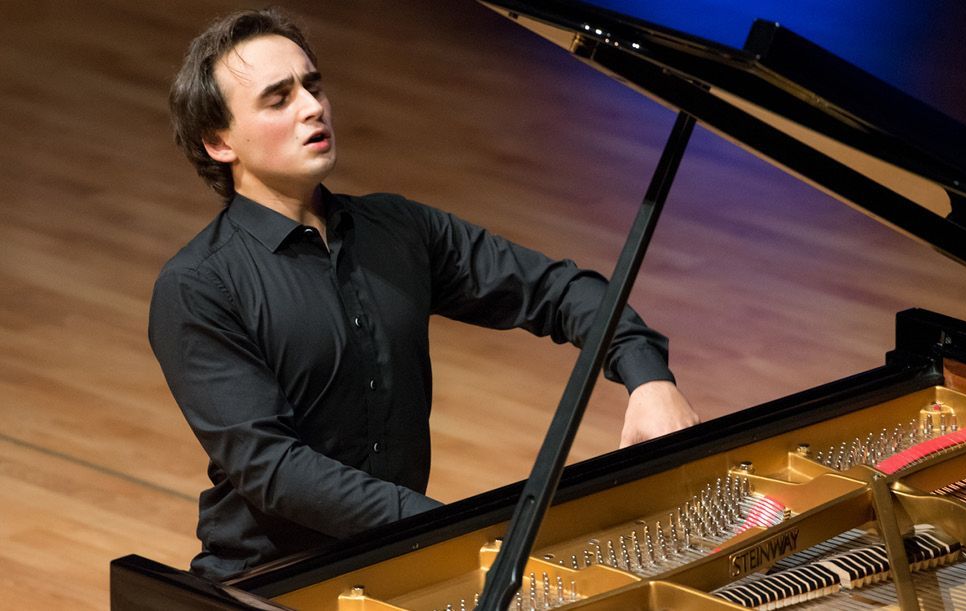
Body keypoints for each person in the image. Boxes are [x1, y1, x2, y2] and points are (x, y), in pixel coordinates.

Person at [149, 7, 700, 581]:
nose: (313, 107)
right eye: (278, 98)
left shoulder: (398, 230)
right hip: (270, 583)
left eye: (312, 86)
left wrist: (647, 375)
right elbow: (274, 470)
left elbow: (557, 290)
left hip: (399, 566)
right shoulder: (199, 287)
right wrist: (444, 530)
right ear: (219, 142)